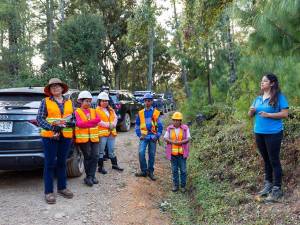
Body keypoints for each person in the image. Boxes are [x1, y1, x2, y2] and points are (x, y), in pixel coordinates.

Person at [248, 73, 289, 202]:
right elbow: (250, 114)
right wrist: (251, 111)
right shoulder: (258, 99)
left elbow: (285, 114)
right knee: (266, 159)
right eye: (261, 81)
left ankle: (277, 189)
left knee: (274, 160)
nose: (262, 83)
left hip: (274, 133)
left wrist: (268, 115)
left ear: (272, 83)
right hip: (259, 132)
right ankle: (268, 184)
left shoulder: (279, 97)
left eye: (265, 81)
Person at [37, 78, 75, 204]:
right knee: (50, 163)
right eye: (52, 87)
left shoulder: (69, 101)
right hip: (50, 136)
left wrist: (72, 123)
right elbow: (40, 119)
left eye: (57, 86)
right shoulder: (45, 101)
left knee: (62, 162)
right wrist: (53, 127)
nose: (55, 88)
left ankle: (62, 188)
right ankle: (48, 192)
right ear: (50, 90)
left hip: (66, 136)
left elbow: (73, 118)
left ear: (62, 88)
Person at [135, 93, 163, 181]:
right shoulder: (140, 113)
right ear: (144, 101)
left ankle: (150, 172)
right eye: (146, 100)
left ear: (151, 101)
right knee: (141, 153)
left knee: (152, 155)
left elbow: (160, 126)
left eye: (149, 100)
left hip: (153, 137)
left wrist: (157, 135)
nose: (147, 102)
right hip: (144, 137)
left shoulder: (156, 112)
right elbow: (137, 125)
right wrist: (139, 135)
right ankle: (144, 171)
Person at [75, 91, 100, 187]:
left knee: (95, 156)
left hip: (94, 138)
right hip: (84, 139)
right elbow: (80, 124)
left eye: (90, 101)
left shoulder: (94, 111)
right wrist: (92, 122)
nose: (88, 103)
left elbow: (98, 120)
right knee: (88, 156)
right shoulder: (77, 112)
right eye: (86, 101)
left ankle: (92, 176)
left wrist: (87, 123)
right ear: (81, 101)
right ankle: (88, 177)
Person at [96, 92, 123, 174]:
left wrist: (113, 124)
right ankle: (100, 168)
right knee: (101, 151)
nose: (105, 102)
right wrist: (108, 125)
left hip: (111, 133)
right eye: (103, 101)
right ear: (99, 101)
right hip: (103, 134)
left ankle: (114, 165)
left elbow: (115, 117)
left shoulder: (111, 109)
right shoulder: (96, 110)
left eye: (106, 101)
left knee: (111, 150)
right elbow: (98, 121)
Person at [164, 112, 191, 193]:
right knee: (174, 170)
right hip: (173, 154)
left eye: (177, 120)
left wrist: (181, 142)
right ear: (172, 120)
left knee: (183, 170)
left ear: (180, 121)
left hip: (182, 154)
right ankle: (176, 185)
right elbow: (165, 138)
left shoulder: (185, 128)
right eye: (174, 120)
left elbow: (188, 138)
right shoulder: (169, 128)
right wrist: (173, 142)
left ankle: (183, 186)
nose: (175, 122)